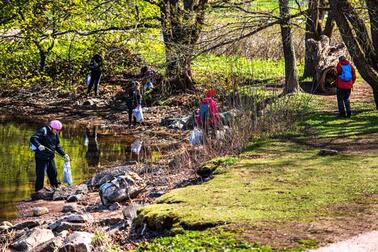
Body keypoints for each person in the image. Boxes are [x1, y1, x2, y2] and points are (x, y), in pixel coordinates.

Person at [30, 120, 69, 192]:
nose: (57, 131)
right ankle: (38, 191)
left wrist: (64, 154)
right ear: (51, 127)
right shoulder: (43, 131)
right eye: (57, 130)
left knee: (53, 173)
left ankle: (55, 188)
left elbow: (57, 145)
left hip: (50, 156)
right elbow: (33, 138)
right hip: (41, 157)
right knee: (40, 174)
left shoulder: (55, 133)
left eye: (59, 130)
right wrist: (39, 145)